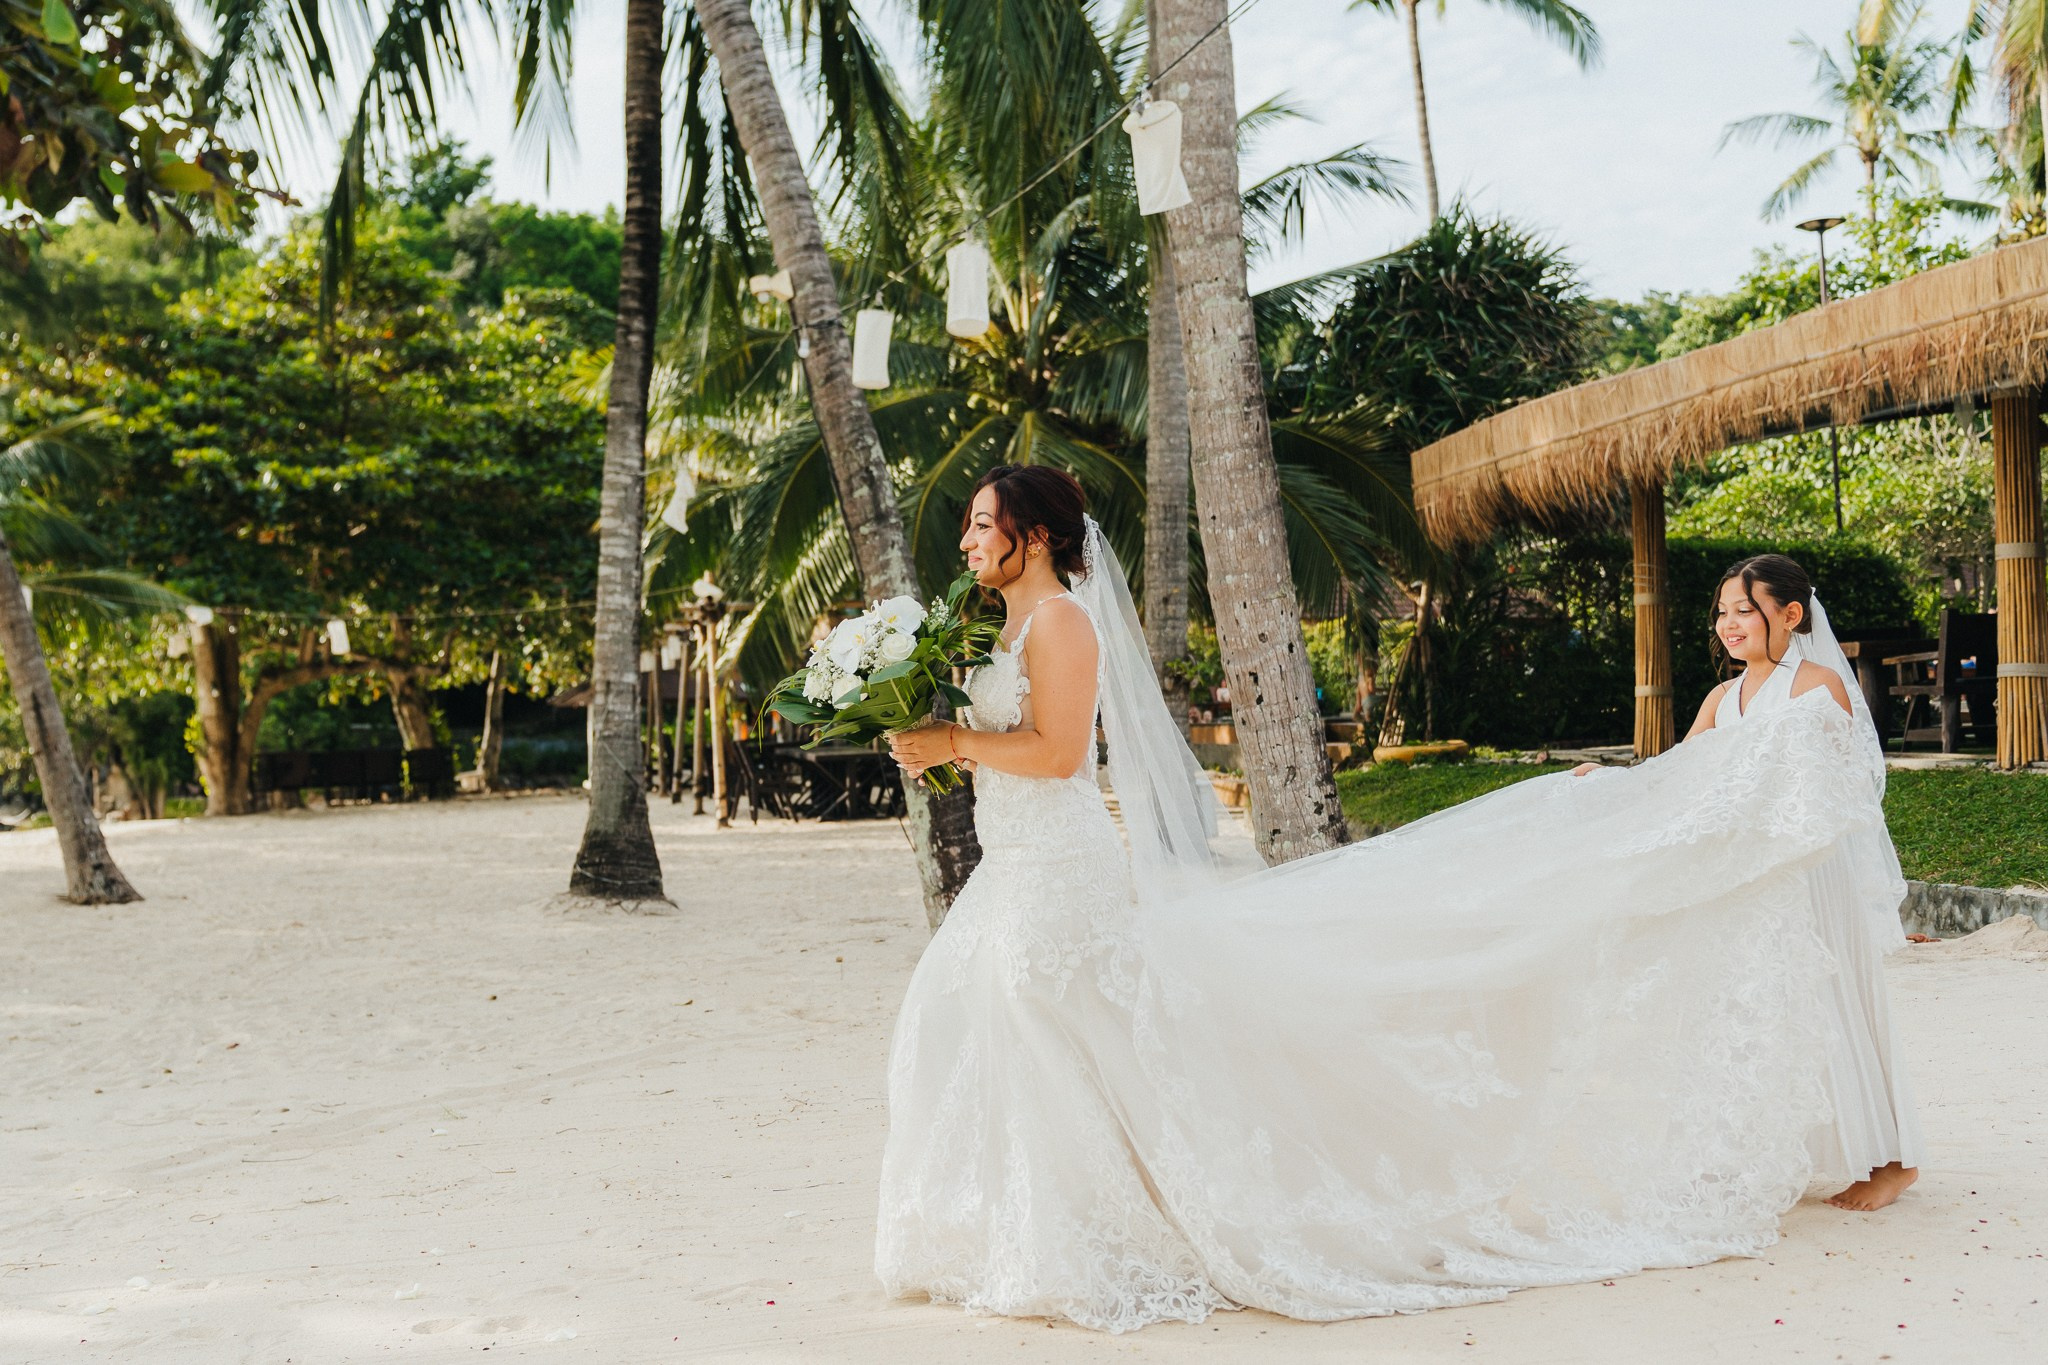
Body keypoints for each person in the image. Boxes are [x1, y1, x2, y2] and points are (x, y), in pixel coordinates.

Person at [879, 467, 1910, 1332]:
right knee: (1001, 1027)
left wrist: (954, 742)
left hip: (1051, 870)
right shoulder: (1000, 632)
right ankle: (1033, 1226)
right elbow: (1688, 765)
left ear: (1036, 534)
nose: (966, 537)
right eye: (1721, 610)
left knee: (1056, 1028)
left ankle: (1881, 1152)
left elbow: (1058, 753)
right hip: (1018, 869)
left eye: (981, 522)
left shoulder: (1059, 624)